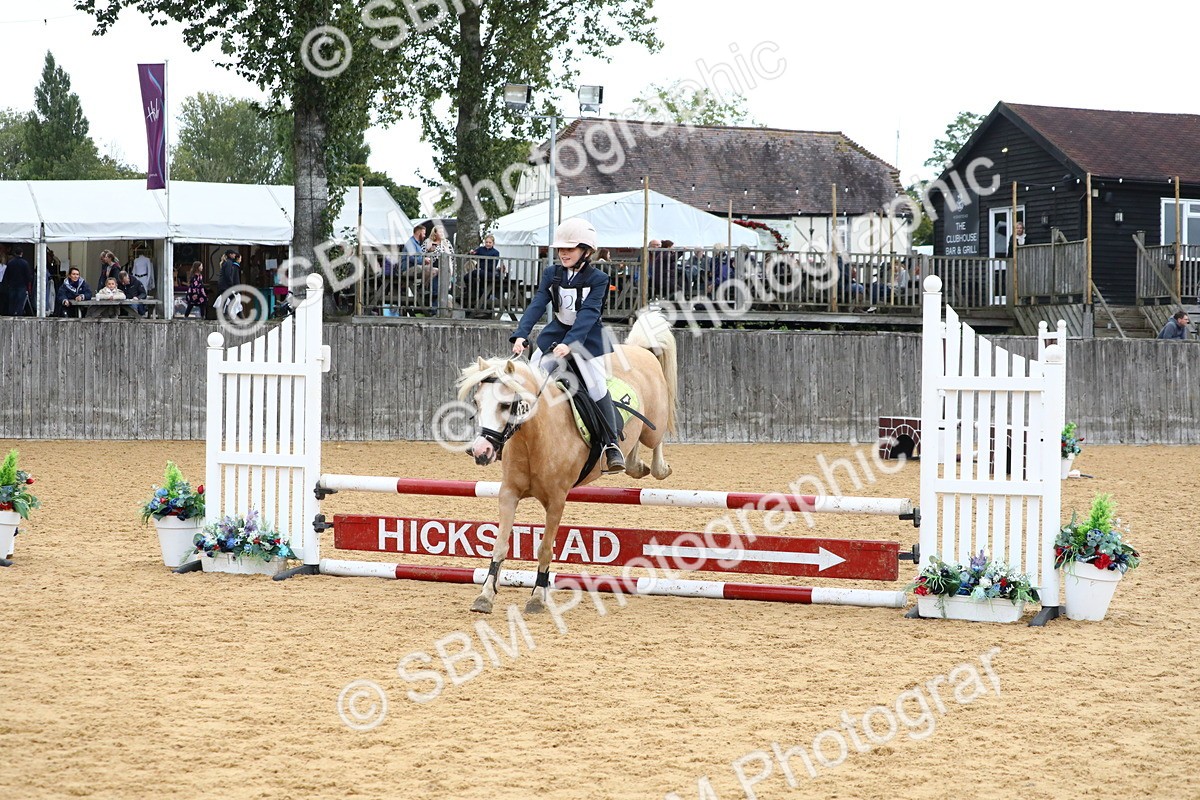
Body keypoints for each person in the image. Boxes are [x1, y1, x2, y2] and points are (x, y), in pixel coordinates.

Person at [511, 217, 625, 475]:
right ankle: (514, 433)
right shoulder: (551, 274)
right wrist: (521, 334)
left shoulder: (599, 279)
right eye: (560, 249)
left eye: (569, 249)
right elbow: (538, 304)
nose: (563, 253)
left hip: (587, 336)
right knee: (530, 376)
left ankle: (611, 444)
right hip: (556, 331)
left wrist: (570, 344)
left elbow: (588, 314)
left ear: (586, 251)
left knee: (596, 383)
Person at [1, 246, 33, 316]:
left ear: (15, 253)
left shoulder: (10, 263)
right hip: (22, 286)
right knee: (20, 303)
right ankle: (18, 316)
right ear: (21, 253)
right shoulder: (25, 263)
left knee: (12, 303)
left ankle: (11, 316)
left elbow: (6, 276)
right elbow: (28, 277)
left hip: (12, 286)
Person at [217, 250, 241, 317]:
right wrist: (231, 283)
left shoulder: (226, 262)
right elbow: (228, 275)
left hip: (223, 285)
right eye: (233, 254)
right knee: (232, 299)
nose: (234, 255)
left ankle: (224, 314)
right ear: (230, 255)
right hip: (226, 285)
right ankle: (226, 314)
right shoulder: (229, 263)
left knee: (226, 299)